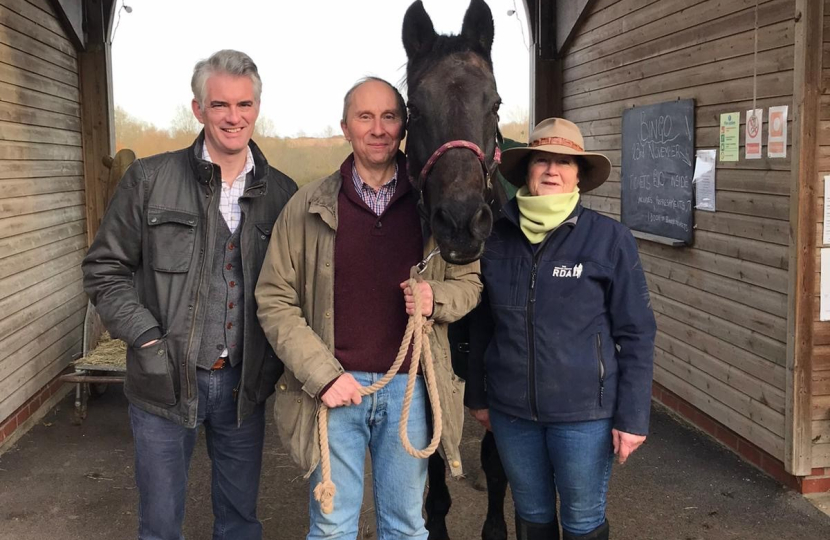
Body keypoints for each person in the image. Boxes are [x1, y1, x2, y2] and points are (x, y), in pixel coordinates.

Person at [82, 50, 297, 540]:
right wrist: (146, 340)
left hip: (244, 385)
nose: (233, 117)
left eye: (244, 105)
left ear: (256, 108)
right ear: (198, 109)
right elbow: (103, 268)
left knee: (241, 522)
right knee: (160, 525)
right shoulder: (149, 180)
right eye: (219, 105)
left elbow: (295, 288)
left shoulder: (282, 193)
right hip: (164, 381)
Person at [255, 77, 481, 540]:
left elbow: (470, 283)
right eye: (365, 117)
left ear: (403, 127)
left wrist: (435, 299)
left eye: (389, 117)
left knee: (405, 525)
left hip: (411, 391)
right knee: (333, 526)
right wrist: (322, 375)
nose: (377, 129)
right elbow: (275, 299)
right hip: (335, 389)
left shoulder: (433, 207)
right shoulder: (308, 206)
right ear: (345, 127)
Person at [465, 118, 657, 540]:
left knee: (582, 521)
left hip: (584, 417)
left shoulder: (609, 239)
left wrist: (633, 417)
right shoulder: (495, 237)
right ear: (527, 170)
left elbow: (637, 334)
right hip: (513, 414)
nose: (552, 170)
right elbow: (483, 324)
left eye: (565, 162)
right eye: (542, 160)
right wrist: (477, 396)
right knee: (532, 516)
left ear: (579, 175)